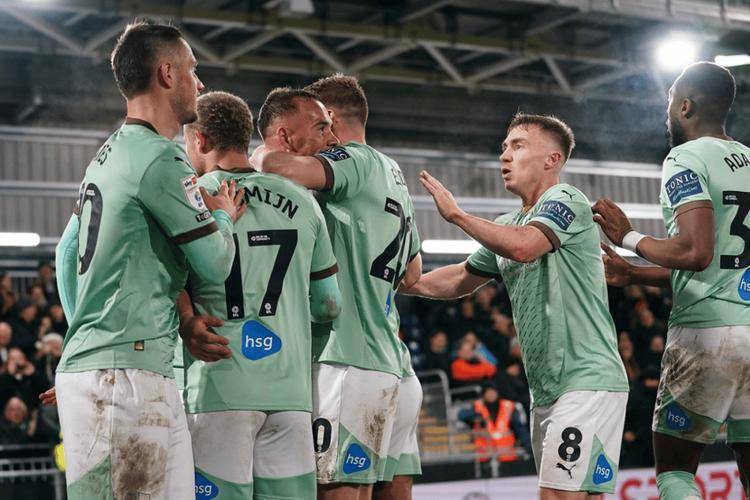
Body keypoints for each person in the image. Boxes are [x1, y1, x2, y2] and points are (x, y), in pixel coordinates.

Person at [50, 21, 242, 499]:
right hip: (126, 376)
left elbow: (65, 252)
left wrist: (84, 343)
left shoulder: (107, 155)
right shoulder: (161, 158)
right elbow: (216, 263)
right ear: (167, 74)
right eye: (192, 70)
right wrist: (223, 214)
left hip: (127, 366)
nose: (200, 82)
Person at [400, 113, 629, 499]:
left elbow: (525, 247)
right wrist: (404, 281)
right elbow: (459, 278)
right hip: (546, 390)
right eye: (504, 147)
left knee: (556, 495)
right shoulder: (509, 222)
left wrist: (457, 215)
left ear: (552, 159)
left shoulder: (567, 199)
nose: (504, 155)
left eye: (518, 146)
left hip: (587, 379)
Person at [257, 74, 422, 500]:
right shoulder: (393, 173)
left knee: (334, 490)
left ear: (329, 118)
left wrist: (259, 153)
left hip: (346, 359)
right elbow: (413, 273)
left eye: (319, 122)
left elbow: (280, 166)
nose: (321, 134)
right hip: (393, 364)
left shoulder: (351, 159)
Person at [594, 61, 750, 500]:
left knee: (676, 471)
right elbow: (720, 263)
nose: (667, 110)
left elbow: (695, 253)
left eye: (669, 100)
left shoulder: (685, 158)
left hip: (707, 333)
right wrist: (634, 274)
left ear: (685, 106)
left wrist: (628, 237)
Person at [178, 89, 342, 499]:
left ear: (199, 140)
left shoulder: (193, 196)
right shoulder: (303, 200)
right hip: (290, 395)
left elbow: (165, 282)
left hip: (219, 387)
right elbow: (329, 304)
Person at [458, 383, 531, 463]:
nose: (491, 395)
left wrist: (528, 445)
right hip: (484, 456)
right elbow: (461, 415)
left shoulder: (508, 407)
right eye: (488, 392)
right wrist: (475, 414)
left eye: (493, 391)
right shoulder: (477, 407)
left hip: (507, 456)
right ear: (483, 395)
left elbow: (519, 429)